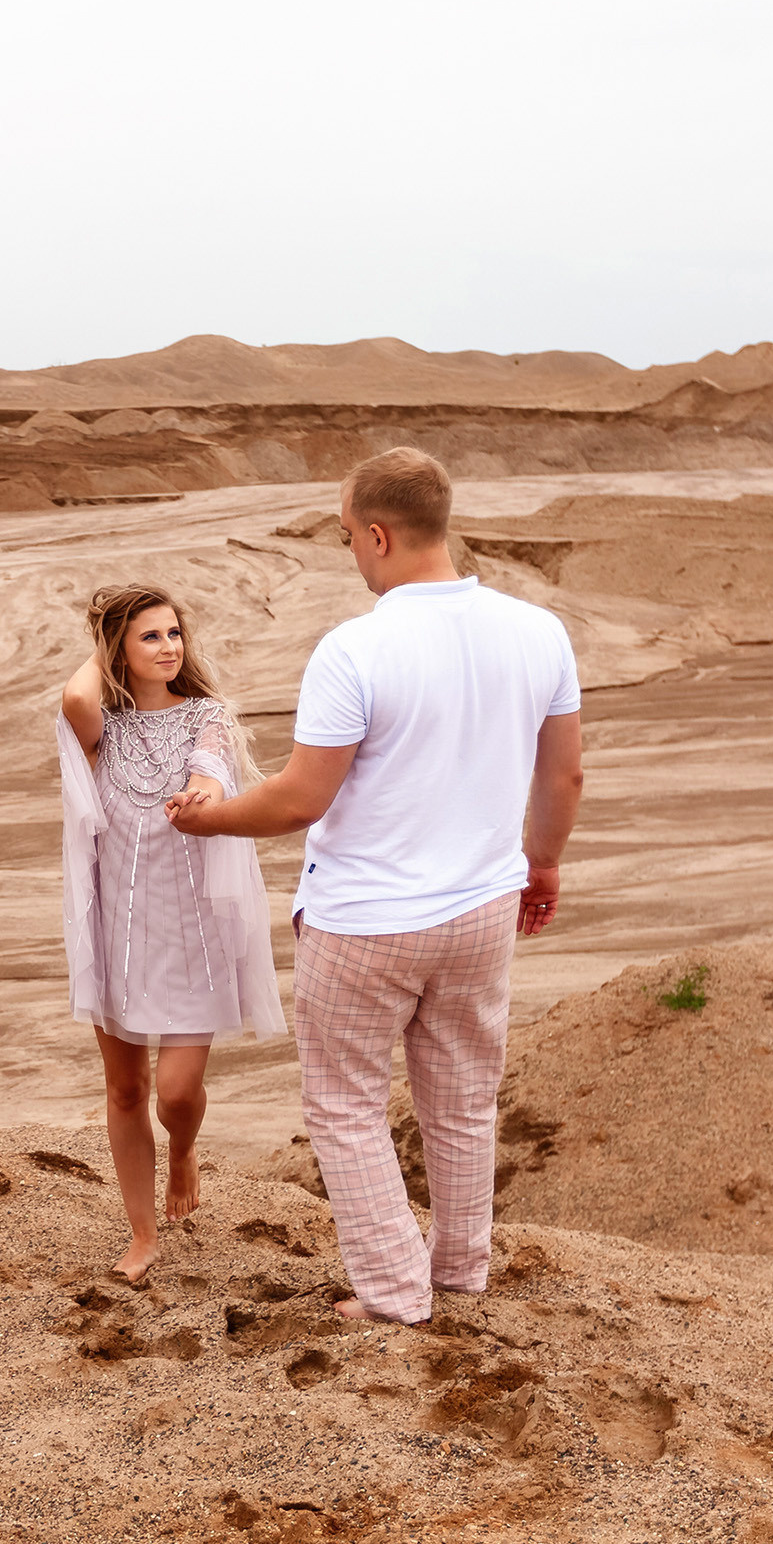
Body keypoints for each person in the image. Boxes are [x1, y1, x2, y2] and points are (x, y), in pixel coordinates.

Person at [166, 447, 583, 1324]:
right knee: (464, 1102)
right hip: (481, 911)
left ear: (382, 534)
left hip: (364, 925)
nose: (353, 551)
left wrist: (210, 817)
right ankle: (461, 1272)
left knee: (346, 1108)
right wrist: (540, 865)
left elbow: (301, 799)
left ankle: (396, 1295)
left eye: (352, 534)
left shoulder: (355, 648)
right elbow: (564, 778)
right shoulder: (538, 631)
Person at [58, 584, 284, 1283]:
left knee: (176, 1093)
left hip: (192, 929)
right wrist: (105, 633)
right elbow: (74, 701)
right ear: (116, 651)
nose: (169, 648)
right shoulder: (101, 729)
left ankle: (183, 1148)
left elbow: (214, 779)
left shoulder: (207, 716)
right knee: (125, 1091)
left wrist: (201, 797)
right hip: (116, 928)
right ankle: (141, 1234)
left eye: (175, 634)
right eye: (150, 636)